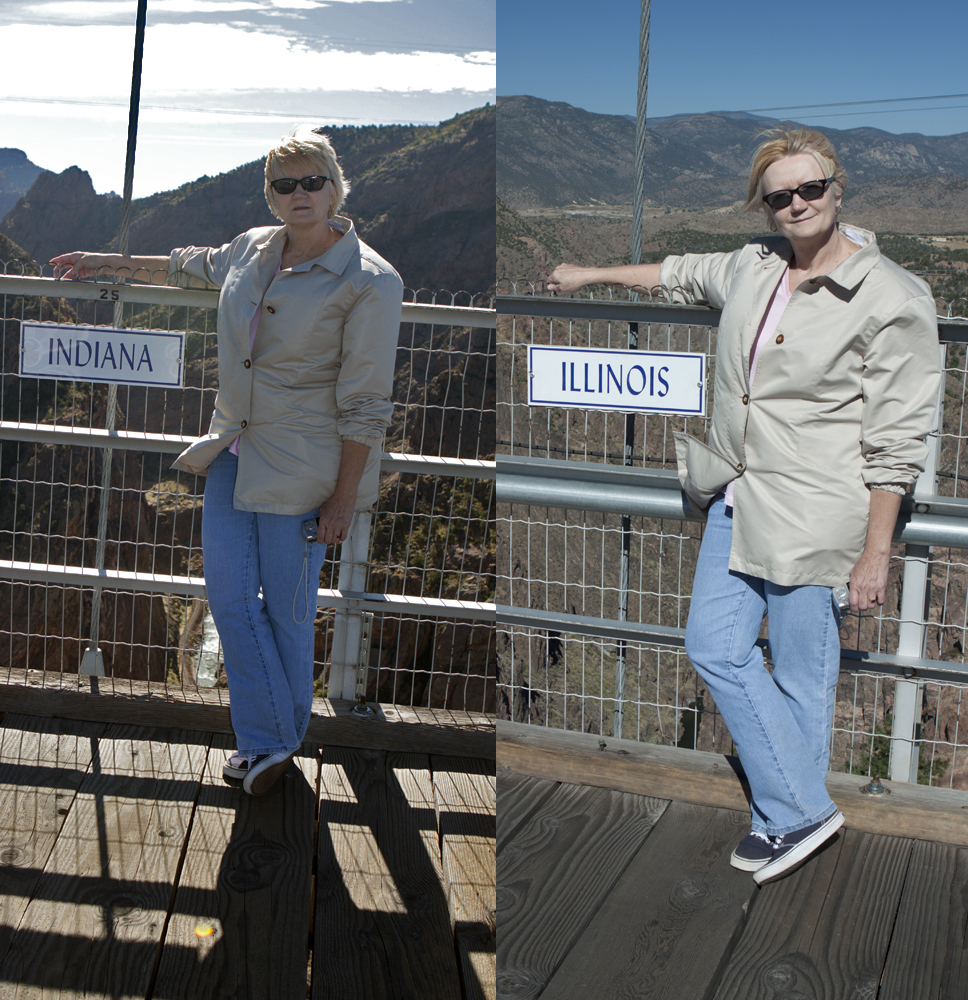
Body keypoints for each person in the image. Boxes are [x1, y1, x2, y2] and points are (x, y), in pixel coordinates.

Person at [547, 126, 941, 884]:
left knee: (801, 674)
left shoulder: (891, 296)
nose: (797, 203)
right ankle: (800, 810)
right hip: (735, 490)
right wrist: (590, 273)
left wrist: (875, 554)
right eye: (779, 196)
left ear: (837, 186)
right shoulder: (756, 268)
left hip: (817, 512)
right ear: (765, 209)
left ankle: (784, 818)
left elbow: (898, 442)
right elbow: (679, 273)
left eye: (810, 188)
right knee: (715, 647)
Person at [52, 126, 403, 796]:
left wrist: (342, 499)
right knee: (231, 598)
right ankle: (272, 740)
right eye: (284, 183)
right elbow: (189, 263)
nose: (299, 194)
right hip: (234, 452)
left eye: (313, 181)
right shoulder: (253, 247)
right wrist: (102, 260)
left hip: (304, 470)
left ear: (336, 187)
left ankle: (268, 744)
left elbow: (366, 405)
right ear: (270, 194)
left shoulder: (370, 281)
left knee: (289, 611)